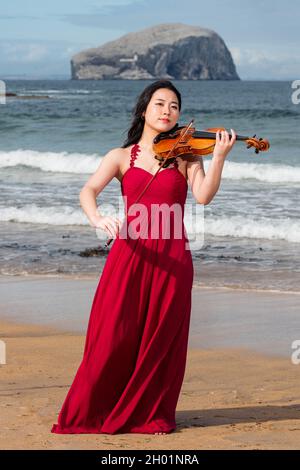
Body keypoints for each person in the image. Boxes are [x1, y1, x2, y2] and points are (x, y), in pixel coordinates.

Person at [51, 79, 236, 435]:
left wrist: (219, 160)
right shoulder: (120, 157)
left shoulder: (187, 155)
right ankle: (94, 410)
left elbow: (203, 196)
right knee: (111, 334)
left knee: (161, 339)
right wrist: (99, 218)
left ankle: (148, 412)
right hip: (129, 255)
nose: (168, 111)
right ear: (143, 110)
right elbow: (88, 190)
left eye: (174, 106)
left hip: (173, 258)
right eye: (160, 104)